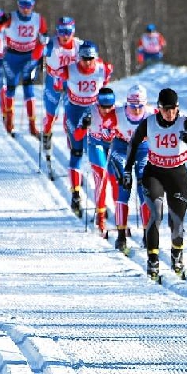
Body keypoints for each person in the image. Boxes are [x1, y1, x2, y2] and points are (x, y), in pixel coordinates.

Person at [123, 88, 187, 282]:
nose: (170, 114)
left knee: (176, 220)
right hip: (155, 174)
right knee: (155, 214)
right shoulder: (149, 123)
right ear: (159, 108)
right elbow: (133, 144)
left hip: (177, 175)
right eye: (166, 110)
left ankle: (177, 256)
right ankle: (152, 259)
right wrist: (127, 169)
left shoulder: (185, 121)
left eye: (174, 109)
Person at [54, 40, 113, 217]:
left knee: (99, 150)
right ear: (79, 58)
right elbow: (57, 85)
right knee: (77, 152)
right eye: (84, 58)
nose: (88, 62)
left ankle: (102, 199)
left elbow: (105, 88)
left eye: (91, 59)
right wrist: (58, 78)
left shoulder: (103, 68)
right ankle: (75, 193)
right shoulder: (70, 69)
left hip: (94, 112)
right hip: (74, 111)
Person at [107, 84, 152, 255]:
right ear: (127, 104)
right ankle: (121, 235)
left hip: (142, 149)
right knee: (124, 184)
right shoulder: (117, 113)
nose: (136, 110)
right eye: (132, 106)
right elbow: (101, 125)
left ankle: (148, 233)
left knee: (144, 186)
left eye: (140, 106)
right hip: (122, 148)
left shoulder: (151, 114)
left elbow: (172, 120)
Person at [0, 0, 48, 137]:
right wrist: (0, 21)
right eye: (22, 5)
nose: (25, 8)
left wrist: (37, 57)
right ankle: (9, 122)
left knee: (29, 89)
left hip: (29, 57)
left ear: (33, 5)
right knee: (11, 88)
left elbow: (43, 39)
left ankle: (33, 126)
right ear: (18, 5)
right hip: (12, 57)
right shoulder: (11, 17)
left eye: (28, 5)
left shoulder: (38, 19)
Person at [77, 86, 120, 236]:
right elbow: (77, 136)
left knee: (117, 179)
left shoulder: (119, 112)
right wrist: (84, 125)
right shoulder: (90, 111)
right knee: (101, 177)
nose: (107, 111)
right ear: (98, 104)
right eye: (103, 107)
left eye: (110, 107)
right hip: (96, 145)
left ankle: (120, 218)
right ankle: (100, 217)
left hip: (113, 146)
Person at [42, 16, 82, 163]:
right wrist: (41, 45)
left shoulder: (79, 46)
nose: (65, 36)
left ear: (73, 31)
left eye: (68, 32)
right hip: (53, 82)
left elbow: (91, 61)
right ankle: (46, 134)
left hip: (71, 84)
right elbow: (37, 54)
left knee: (69, 118)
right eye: (61, 32)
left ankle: (73, 148)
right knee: (52, 115)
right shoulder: (51, 44)